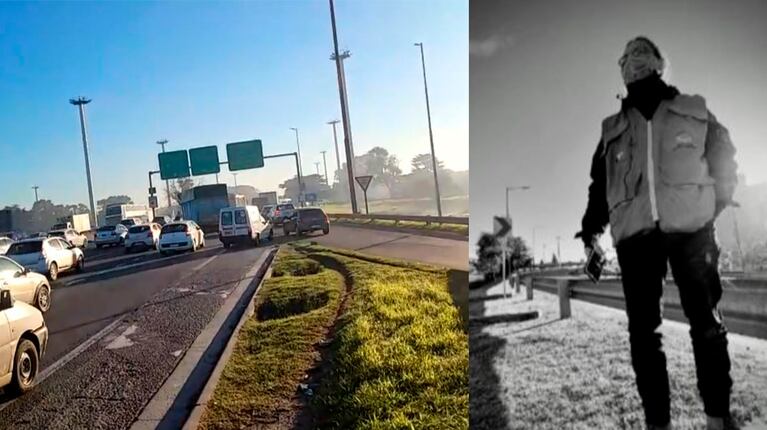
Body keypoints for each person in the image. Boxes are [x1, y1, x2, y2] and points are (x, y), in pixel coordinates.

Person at [575, 36, 739, 430]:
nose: (633, 60)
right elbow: (600, 186)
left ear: (660, 63)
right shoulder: (612, 129)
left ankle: (718, 418)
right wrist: (590, 233)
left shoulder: (693, 110)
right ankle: (657, 424)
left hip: (693, 233)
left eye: (642, 52)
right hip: (635, 240)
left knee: (707, 325)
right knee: (644, 336)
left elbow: (724, 157)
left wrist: (711, 207)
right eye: (626, 57)